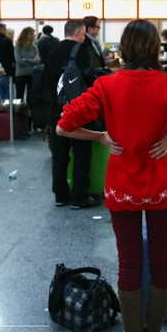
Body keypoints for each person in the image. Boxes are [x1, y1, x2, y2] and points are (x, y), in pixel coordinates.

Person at [56, 19, 167, 332]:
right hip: (162, 186)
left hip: (123, 187)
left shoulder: (107, 85)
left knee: (129, 264)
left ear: (125, 48)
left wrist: (100, 136)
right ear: (154, 47)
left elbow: (63, 125)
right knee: (162, 263)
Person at [44, 20, 101, 209]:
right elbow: (88, 78)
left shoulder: (52, 51)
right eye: (83, 33)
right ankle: (79, 197)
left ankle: (60, 195)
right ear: (77, 32)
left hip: (56, 111)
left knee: (59, 155)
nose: (84, 37)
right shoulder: (80, 51)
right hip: (77, 111)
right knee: (81, 154)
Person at [14, 26, 40, 102]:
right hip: (20, 75)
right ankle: (19, 112)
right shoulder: (18, 46)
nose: (34, 35)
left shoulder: (34, 47)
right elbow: (19, 61)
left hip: (31, 74)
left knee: (31, 96)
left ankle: (29, 111)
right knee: (19, 96)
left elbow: (38, 61)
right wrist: (32, 62)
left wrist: (26, 59)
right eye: (32, 34)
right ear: (27, 34)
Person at [0, 23, 15, 101]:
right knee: (8, 90)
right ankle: (7, 109)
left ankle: (0, 107)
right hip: (7, 69)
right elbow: (12, 55)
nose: (6, 30)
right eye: (5, 29)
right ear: (1, 30)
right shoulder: (8, 41)